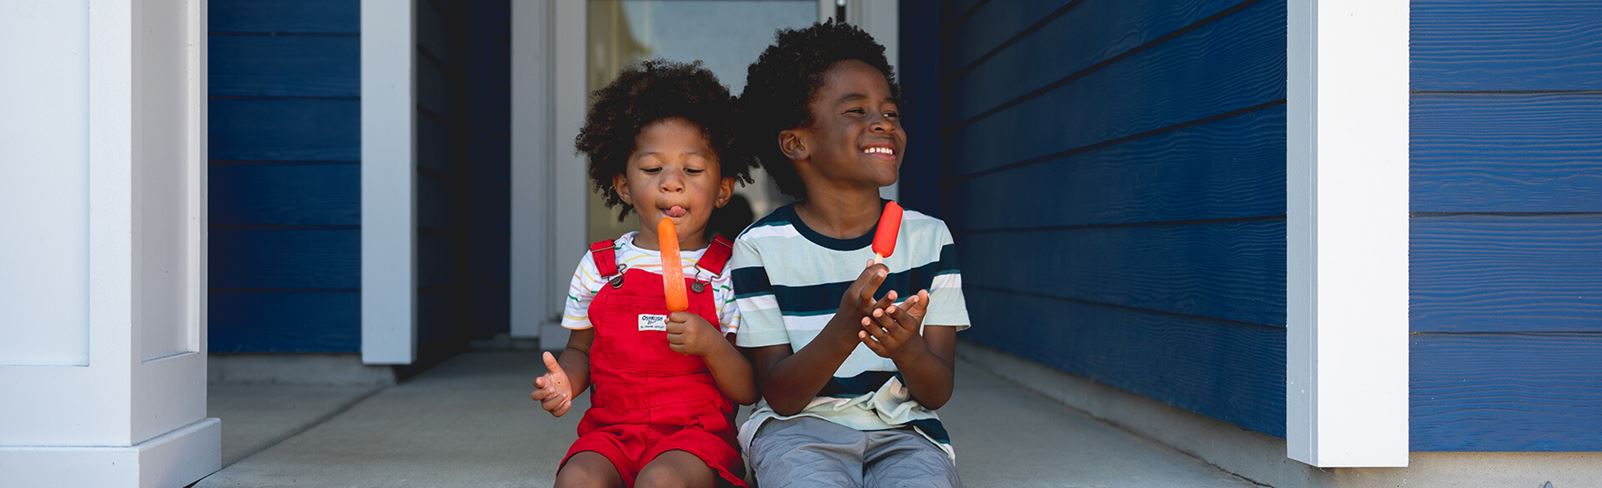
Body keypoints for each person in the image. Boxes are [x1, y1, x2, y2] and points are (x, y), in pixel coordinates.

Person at [732, 20, 971, 487]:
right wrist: (846, 327)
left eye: (890, 111)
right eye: (856, 110)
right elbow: (780, 394)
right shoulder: (760, 247)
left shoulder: (929, 238)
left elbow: (937, 390)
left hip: (907, 432)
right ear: (796, 142)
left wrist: (907, 348)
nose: (883, 122)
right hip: (797, 432)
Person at [531, 59, 756, 488]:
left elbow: (748, 387)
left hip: (695, 441)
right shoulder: (599, 267)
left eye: (692, 170)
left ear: (723, 189)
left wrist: (710, 343)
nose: (672, 183)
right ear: (623, 185)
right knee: (576, 479)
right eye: (653, 169)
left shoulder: (728, 271)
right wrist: (565, 381)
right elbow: (580, 350)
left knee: (662, 481)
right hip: (611, 434)